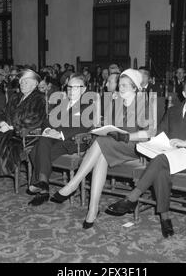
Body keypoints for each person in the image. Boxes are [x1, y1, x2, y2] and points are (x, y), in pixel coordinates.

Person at [106, 78, 186, 238]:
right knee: (160, 168)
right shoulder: (173, 111)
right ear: (183, 93)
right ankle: (165, 217)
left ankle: (132, 198)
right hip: (167, 155)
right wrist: (153, 143)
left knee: (160, 160)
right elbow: (161, 132)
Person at [50, 69, 157, 228]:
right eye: (119, 85)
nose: (121, 88)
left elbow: (149, 133)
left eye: (125, 86)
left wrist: (127, 136)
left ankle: (74, 184)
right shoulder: (116, 103)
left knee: (101, 142)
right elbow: (106, 126)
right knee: (101, 155)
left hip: (135, 147)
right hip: (112, 145)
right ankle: (92, 209)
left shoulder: (143, 103)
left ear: (135, 88)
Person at [0, 69, 46, 196]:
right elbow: (2, 113)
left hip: (24, 135)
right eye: (21, 82)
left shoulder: (38, 98)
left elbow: (33, 119)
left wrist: (11, 127)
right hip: (8, 130)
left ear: (34, 84)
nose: (22, 84)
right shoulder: (15, 97)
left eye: (26, 82)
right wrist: (1, 123)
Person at [27, 74, 93, 206]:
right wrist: (47, 130)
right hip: (54, 138)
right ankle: (44, 183)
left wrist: (60, 134)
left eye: (76, 87)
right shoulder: (62, 103)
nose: (71, 90)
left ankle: (42, 189)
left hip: (74, 142)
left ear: (84, 90)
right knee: (43, 141)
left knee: (35, 152)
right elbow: (47, 121)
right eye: (69, 87)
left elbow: (83, 127)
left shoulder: (88, 106)